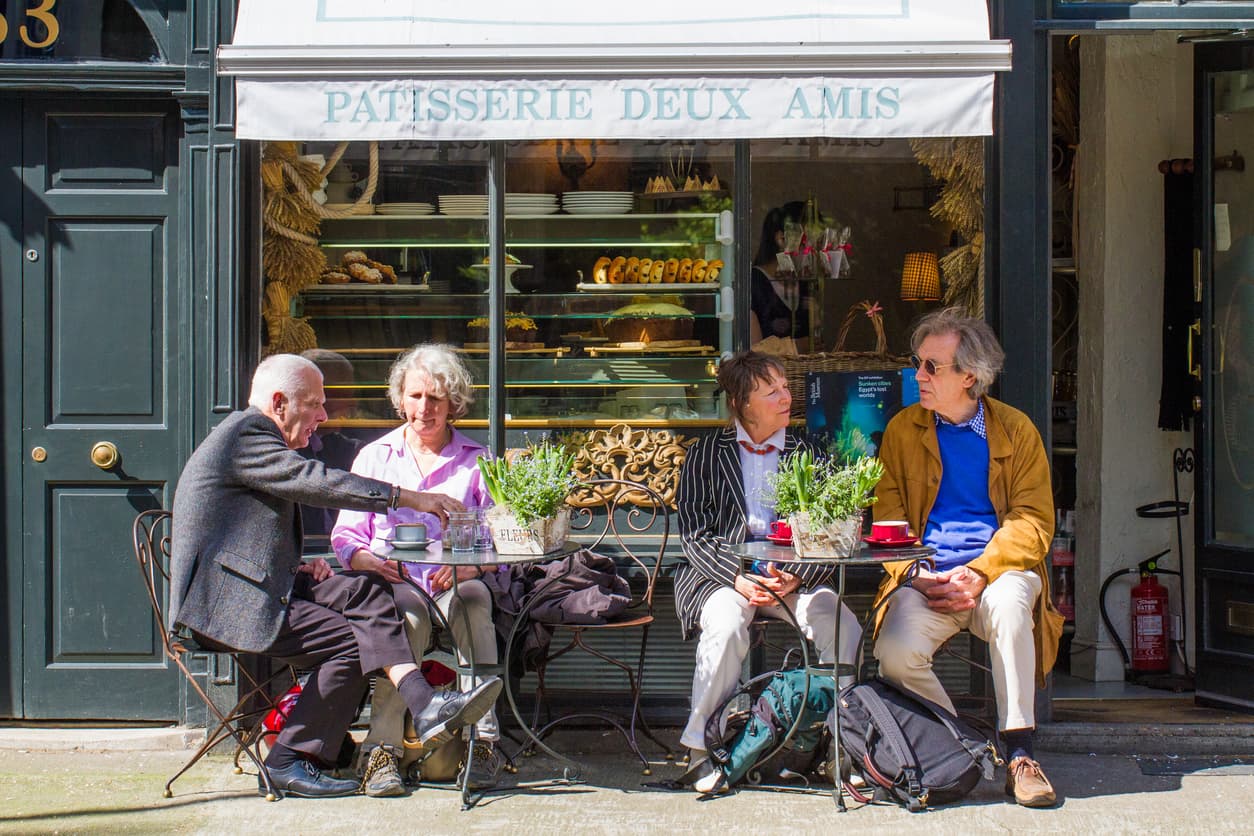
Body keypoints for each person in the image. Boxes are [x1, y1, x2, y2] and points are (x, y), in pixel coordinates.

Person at [169, 353, 502, 799]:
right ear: (279, 402)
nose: (325, 416)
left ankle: (426, 706)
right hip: (228, 605)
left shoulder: (253, 437)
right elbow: (316, 481)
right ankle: (287, 759)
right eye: (315, 404)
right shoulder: (246, 434)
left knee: (365, 594)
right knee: (354, 639)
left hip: (263, 584)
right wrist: (410, 498)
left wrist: (298, 566)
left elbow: (243, 533)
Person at [870, 307, 1064, 808]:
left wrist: (979, 572)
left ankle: (1020, 753)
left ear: (969, 377)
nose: (918, 375)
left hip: (996, 573)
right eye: (918, 362)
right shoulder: (902, 430)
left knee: (1011, 606)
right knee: (895, 652)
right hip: (927, 577)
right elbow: (888, 517)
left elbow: (1034, 522)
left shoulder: (1016, 431)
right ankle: (965, 744)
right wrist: (916, 574)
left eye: (931, 366)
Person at [673, 350, 862, 793]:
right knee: (725, 625)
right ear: (742, 403)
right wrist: (738, 579)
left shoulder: (810, 452)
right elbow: (695, 536)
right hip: (723, 578)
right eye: (771, 390)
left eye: (785, 387)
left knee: (842, 624)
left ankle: (841, 744)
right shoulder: (705, 454)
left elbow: (832, 528)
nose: (785, 397)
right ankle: (701, 746)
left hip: (792, 578)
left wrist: (797, 576)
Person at [332, 344, 504, 792]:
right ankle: (381, 753)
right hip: (397, 582)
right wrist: (370, 561)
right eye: (415, 396)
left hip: (454, 581)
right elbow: (345, 536)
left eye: (435, 398)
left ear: (453, 403)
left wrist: (474, 569)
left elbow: (500, 537)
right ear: (400, 399)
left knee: (473, 603)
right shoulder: (375, 457)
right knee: (403, 617)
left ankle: (483, 744)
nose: (424, 408)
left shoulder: (478, 460)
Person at [298, 349, 364, 542]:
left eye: (351, 394)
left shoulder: (351, 448)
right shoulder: (281, 447)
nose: (351, 403)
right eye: (340, 394)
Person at [750, 201, 812, 347]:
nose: (812, 249)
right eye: (805, 242)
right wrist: (797, 346)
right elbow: (753, 350)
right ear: (781, 239)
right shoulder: (754, 284)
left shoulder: (805, 283)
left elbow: (816, 343)